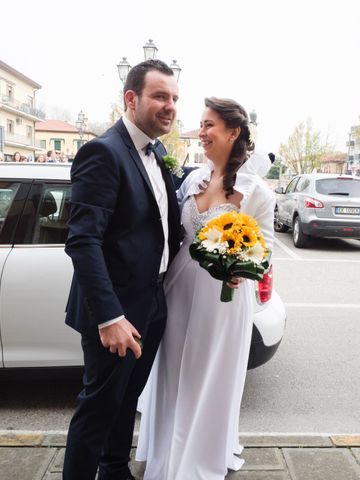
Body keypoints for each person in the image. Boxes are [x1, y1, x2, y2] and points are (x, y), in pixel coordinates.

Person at [136, 97, 275, 479]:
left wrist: (242, 268)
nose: (202, 131)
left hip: (223, 296)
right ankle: (167, 449)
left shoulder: (257, 191)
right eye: (201, 124)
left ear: (234, 132)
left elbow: (266, 247)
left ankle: (199, 454)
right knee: (173, 369)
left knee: (207, 374)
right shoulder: (193, 178)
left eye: (210, 124)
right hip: (179, 287)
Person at [62, 59, 182, 480]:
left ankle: (114, 470)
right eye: (160, 96)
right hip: (115, 314)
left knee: (127, 399)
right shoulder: (103, 152)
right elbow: (82, 240)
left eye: (174, 98)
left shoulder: (159, 151)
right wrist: (110, 317)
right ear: (131, 99)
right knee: (98, 407)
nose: (170, 106)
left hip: (152, 303)